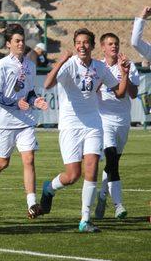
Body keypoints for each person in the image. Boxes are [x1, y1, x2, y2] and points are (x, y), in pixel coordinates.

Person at [40, 28, 128, 233]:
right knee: (72, 175)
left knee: (92, 167)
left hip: (93, 125)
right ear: (74, 45)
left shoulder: (99, 67)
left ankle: (85, 220)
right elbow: (47, 83)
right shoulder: (69, 65)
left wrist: (123, 73)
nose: (82, 45)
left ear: (92, 46)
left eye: (86, 42)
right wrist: (61, 61)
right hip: (70, 125)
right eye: (78, 42)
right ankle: (49, 188)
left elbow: (120, 92)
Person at [0, 24, 49, 219]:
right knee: (3, 162)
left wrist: (37, 101)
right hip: (4, 122)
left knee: (29, 159)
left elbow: (30, 93)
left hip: (25, 121)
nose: (20, 44)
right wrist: (16, 103)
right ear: (8, 44)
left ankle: (32, 204)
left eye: (22, 40)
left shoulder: (30, 65)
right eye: (16, 41)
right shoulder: (1, 65)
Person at [95, 33, 139, 220]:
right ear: (103, 47)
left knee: (113, 163)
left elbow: (133, 93)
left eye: (116, 43)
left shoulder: (129, 65)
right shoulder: (97, 67)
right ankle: (118, 205)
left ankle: (102, 194)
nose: (114, 47)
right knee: (111, 158)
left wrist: (125, 74)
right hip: (104, 120)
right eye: (110, 44)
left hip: (123, 121)